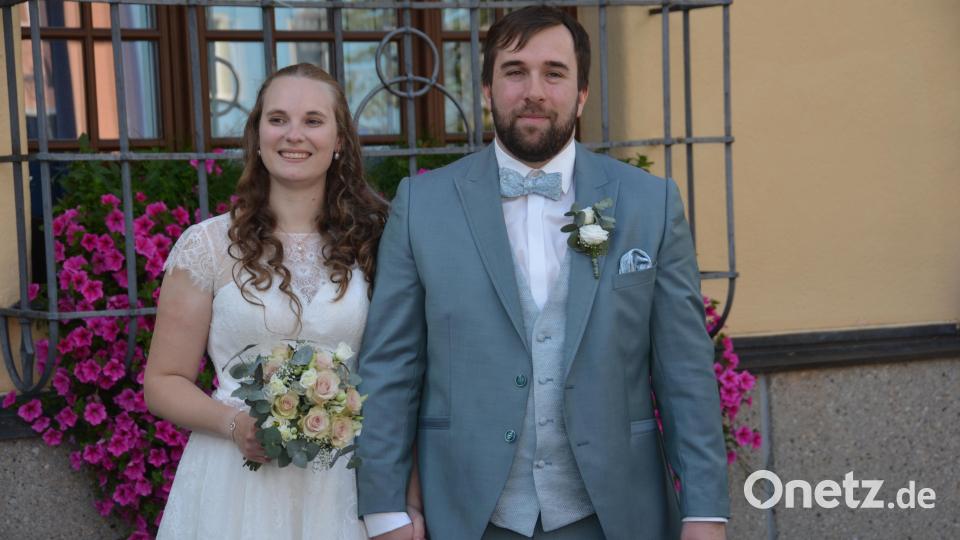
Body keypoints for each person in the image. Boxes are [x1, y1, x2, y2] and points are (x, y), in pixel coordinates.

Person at [357, 7, 729, 540]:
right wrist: (385, 510)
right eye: (515, 72)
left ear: (581, 95)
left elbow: (685, 371)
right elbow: (390, 367)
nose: (534, 91)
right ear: (487, 89)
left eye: (554, 73)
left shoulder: (650, 203)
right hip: (467, 513)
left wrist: (705, 512)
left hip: (615, 514)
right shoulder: (422, 205)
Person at [145, 63, 390, 539]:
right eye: (278, 119)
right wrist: (235, 424)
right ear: (258, 135)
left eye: (313, 120)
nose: (293, 134)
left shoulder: (375, 243)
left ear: (340, 140)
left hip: (341, 481)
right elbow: (162, 381)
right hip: (233, 481)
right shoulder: (208, 245)